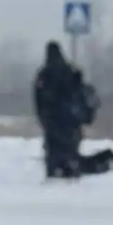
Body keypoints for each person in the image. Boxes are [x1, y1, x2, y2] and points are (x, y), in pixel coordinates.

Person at [33, 43, 88, 179]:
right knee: (70, 147)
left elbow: (38, 98)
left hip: (52, 119)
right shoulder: (69, 70)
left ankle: (54, 172)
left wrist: (42, 117)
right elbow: (79, 91)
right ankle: (71, 169)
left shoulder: (44, 74)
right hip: (69, 118)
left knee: (53, 149)